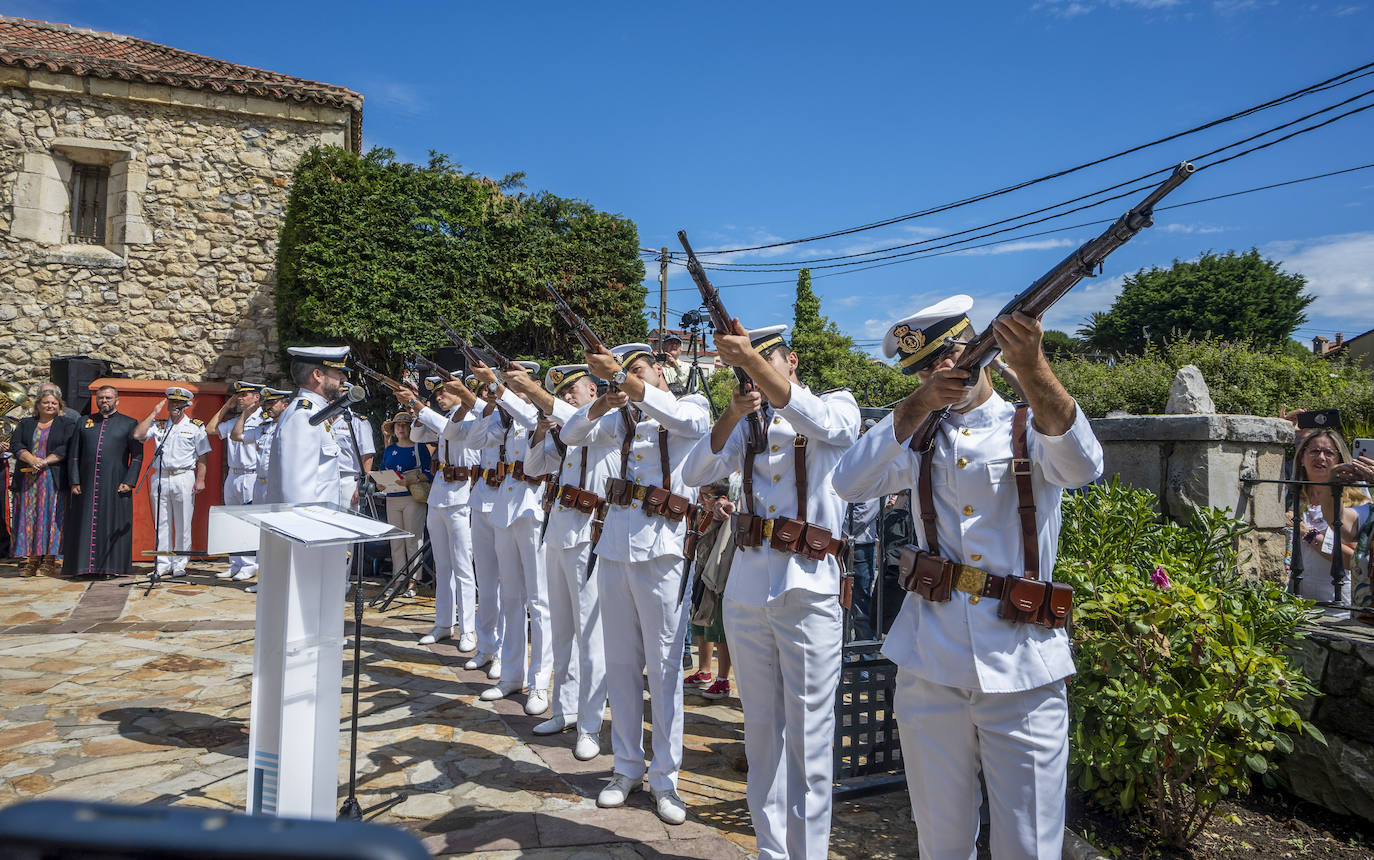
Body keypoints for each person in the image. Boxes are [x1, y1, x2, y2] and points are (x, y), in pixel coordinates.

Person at [833, 295, 1103, 859]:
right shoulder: (918, 438)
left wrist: (1032, 369)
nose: (940, 372)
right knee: (942, 838)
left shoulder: (1027, 425)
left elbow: (1083, 467)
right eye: (924, 367)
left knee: (1029, 843)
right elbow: (849, 483)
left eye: (947, 357)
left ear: (975, 351)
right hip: (931, 660)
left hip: (1023, 662)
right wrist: (915, 405)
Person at [682, 323, 860, 859]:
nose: (756, 378)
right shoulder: (749, 422)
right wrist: (733, 412)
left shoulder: (837, 404)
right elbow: (695, 470)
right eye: (746, 369)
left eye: (764, 364)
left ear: (792, 361)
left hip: (810, 587)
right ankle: (772, 850)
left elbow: (831, 426)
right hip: (749, 586)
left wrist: (757, 371)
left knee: (810, 737)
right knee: (761, 733)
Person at [562, 341, 710, 826]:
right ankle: (625, 767)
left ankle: (666, 779)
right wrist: (602, 400)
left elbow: (688, 425)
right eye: (625, 373)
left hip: (665, 548)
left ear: (661, 370)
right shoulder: (620, 417)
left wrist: (630, 385)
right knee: (622, 662)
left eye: (639, 369)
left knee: (664, 666)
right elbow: (571, 433)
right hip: (615, 546)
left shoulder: (690, 403)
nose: (631, 378)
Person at [509, 364, 615, 761]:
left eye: (575, 389)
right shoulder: (564, 429)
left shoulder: (611, 423)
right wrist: (539, 428)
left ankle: (590, 724)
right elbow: (534, 468)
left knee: (591, 637)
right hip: (558, 530)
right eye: (563, 392)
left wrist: (537, 396)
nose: (568, 396)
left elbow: (577, 422)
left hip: (592, 531)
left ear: (594, 391)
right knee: (561, 630)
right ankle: (565, 708)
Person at [468, 359, 554, 717]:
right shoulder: (506, 414)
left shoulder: (541, 411)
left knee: (539, 600)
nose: (512, 388)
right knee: (511, 597)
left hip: (533, 506)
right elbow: (473, 439)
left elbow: (530, 419)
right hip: (505, 505)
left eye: (519, 383)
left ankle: (541, 681)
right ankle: (512, 674)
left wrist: (504, 394)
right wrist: (493, 407)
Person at [399, 376, 481, 650]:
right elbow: (417, 435)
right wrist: (418, 414)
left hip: (463, 495)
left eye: (443, 392)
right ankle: (443, 623)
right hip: (440, 494)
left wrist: (419, 406)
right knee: (443, 565)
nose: (438, 397)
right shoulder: (443, 417)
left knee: (462, 566)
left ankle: (467, 628)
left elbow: (449, 430)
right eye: (435, 394)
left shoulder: (471, 416)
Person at [65, 385, 142, 577]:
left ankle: (110, 568)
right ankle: (82, 568)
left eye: (108, 398)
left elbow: (138, 456)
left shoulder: (129, 423)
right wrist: (74, 480)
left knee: (111, 523)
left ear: (117, 400)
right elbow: (74, 455)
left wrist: (130, 480)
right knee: (84, 524)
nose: (104, 401)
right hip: (87, 483)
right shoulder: (84, 422)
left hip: (115, 483)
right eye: (101, 398)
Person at [1287, 428, 1367, 607]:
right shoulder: (1289, 497)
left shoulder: (1356, 503)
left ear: (1339, 460)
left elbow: (1355, 561)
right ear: (1301, 457)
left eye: (1329, 452)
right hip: (1294, 604)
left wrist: (1309, 534)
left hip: (1336, 606)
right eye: (1314, 451)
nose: (1321, 458)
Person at [134, 388, 209, 578]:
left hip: (183, 476)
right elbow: (138, 435)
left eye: (178, 403)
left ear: (186, 405)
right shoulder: (159, 426)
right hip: (160, 476)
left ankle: (180, 563)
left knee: (183, 521)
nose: (174, 407)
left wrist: (200, 479)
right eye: (172, 403)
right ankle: (162, 563)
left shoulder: (195, 426)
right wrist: (152, 413)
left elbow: (203, 456)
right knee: (161, 522)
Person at [262, 348, 350, 507]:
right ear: (317, 375)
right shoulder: (304, 416)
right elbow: (298, 492)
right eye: (337, 371)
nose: (343, 378)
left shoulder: (314, 412)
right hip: (311, 526)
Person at [11, 389, 75, 576]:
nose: (50, 406)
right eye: (46, 402)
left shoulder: (66, 424)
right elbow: (16, 444)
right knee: (29, 517)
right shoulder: (26, 423)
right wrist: (31, 459)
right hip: (28, 480)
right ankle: (32, 559)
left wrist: (44, 461)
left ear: (59, 406)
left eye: (54, 403)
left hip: (52, 479)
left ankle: (49, 559)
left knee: (50, 517)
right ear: (38, 405)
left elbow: (67, 447)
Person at [684, 479, 736, 701]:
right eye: (701, 494)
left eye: (706, 496)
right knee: (700, 623)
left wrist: (721, 510)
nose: (701, 500)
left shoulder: (725, 513)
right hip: (701, 574)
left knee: (720, 630)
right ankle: (704, 670)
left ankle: (723, 680)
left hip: (718, 578)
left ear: (721, 498)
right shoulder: (701, 513)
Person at [209, 381, 264, 581]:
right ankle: (236, 563)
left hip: (251, 475)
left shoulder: (262, 421)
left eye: (244, 395)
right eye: (238, 395)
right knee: (231, 520)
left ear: (256, 397)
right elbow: (211, 428)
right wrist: (227, 406)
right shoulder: (234, 421)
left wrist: (246, 414)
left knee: (249, 522)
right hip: (233, 475)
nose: (240, 398)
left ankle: (250, 564)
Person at [379, 411, 433, 594]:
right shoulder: (389, 449)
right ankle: (398, 580)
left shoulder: (419, 448)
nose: (401, 428)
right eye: (397, 425)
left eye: (404, 424)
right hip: (392, 498)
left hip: (412, 497)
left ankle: (413, 582)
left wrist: (412, 480)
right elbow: (383, 470)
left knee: (412, 539)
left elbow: (430, 472)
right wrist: (380, 483)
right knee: (396, 541)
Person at [332, 403, 375, 511]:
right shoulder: (322, 419)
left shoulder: (357, 421)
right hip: (325, 477)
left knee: (347, 519)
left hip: (348, 479)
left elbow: (368, 456)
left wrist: (360, 487)